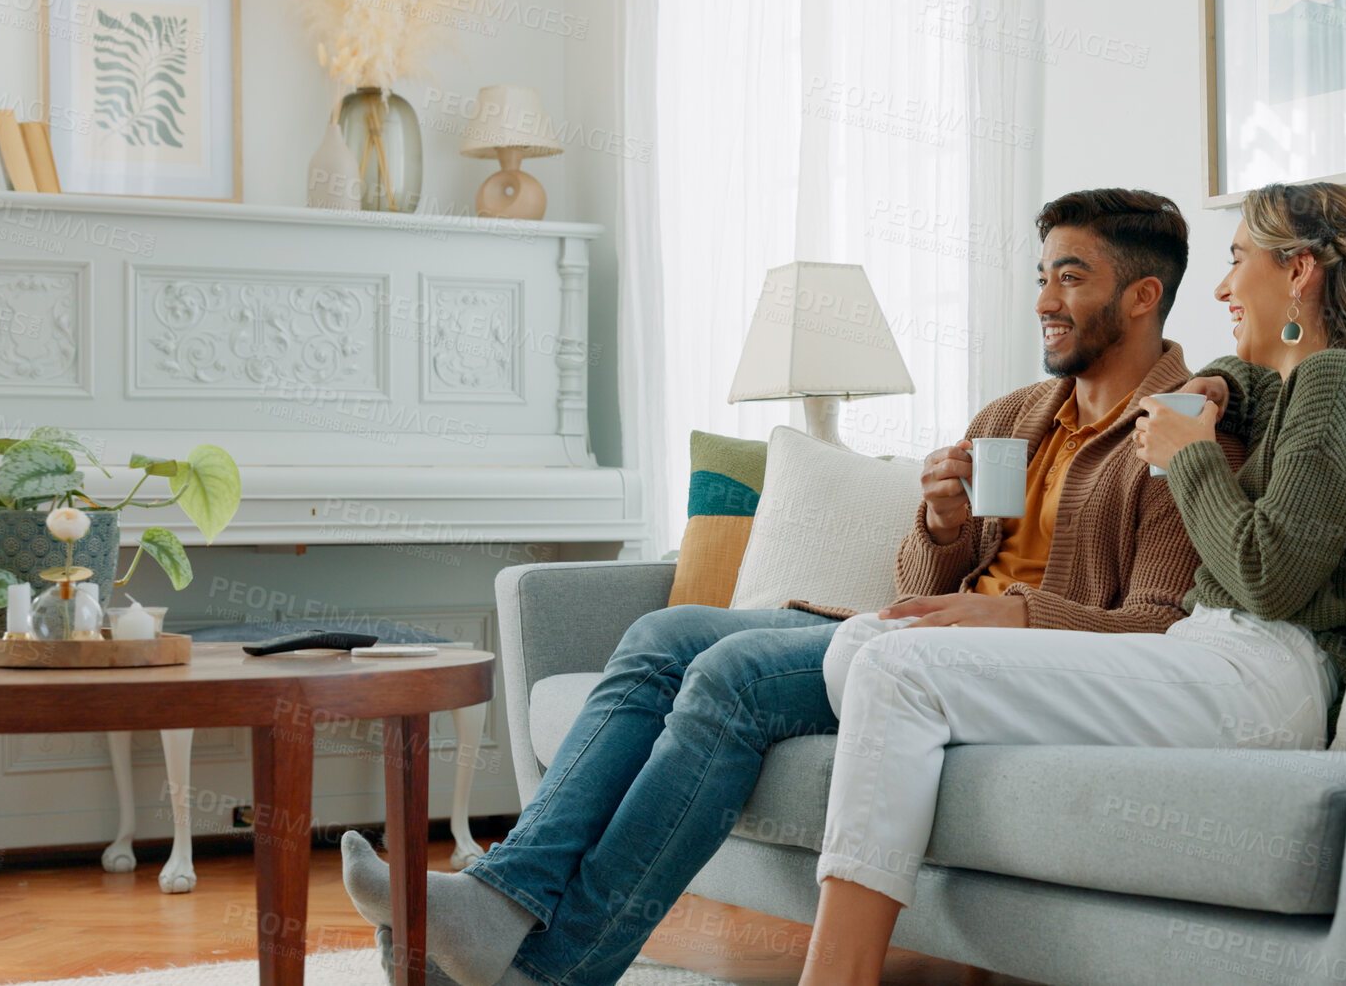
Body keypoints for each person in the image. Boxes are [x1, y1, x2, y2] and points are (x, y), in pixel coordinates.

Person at [339, 187, 1237, 986]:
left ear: (1142, 294)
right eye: (1041, 274)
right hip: (908, 636)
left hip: (1001, 671)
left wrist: (1008, 612)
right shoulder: (1012, 417)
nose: (1043, 300)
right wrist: (942, 526)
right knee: (663, 636)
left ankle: (562, 963)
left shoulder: (1183, 431)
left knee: (733, 678)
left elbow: (1154, 627)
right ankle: (500, 898)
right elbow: (919, 581)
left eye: (1070, 277)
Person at [795, 181, 1346, 985]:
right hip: (1215, 655)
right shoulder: (1305, 384)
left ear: (1298, 270)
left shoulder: (1341, 382)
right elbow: (1246, 378)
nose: (1222, 286)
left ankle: (834, 975)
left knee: (893, 665)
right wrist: (1219, 388)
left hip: (1268, 670)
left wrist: (1189, 456)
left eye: (1237, 260)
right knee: (857, 647)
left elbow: (1268, 579)